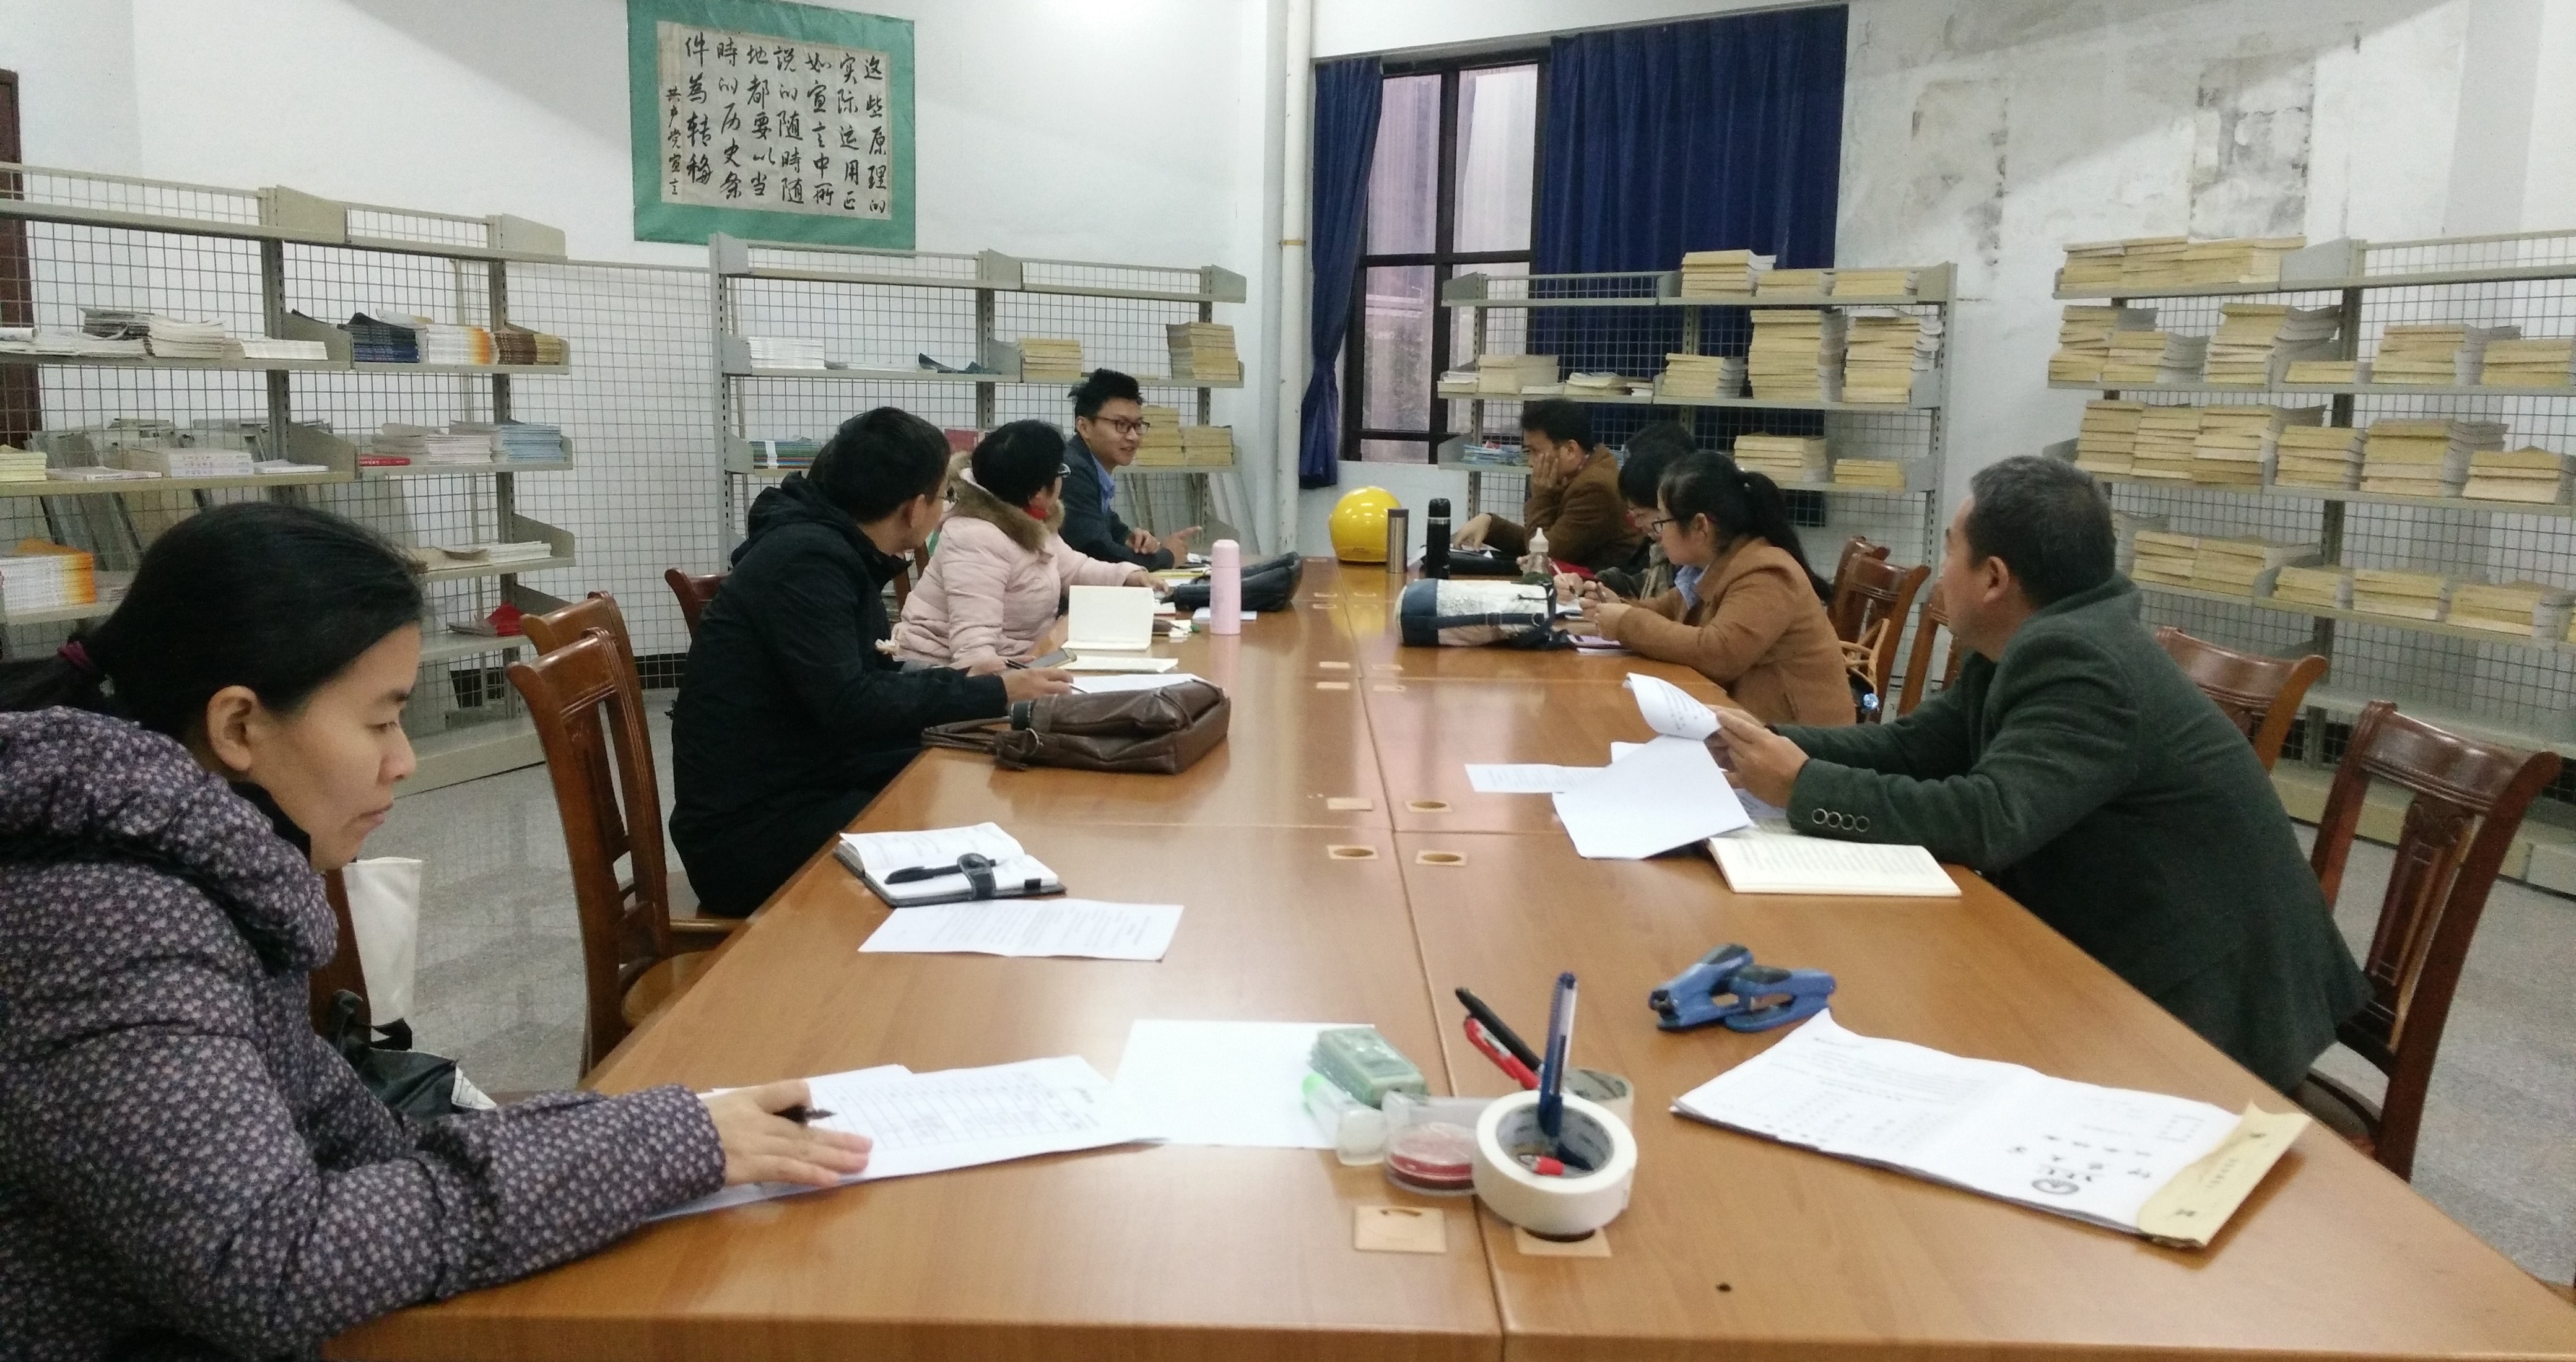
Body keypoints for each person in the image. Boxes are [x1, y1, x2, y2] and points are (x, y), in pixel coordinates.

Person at [0, 503, 869, 1361]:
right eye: (380, 721)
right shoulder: (112, 924)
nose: (404, 759)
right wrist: (659, 1144)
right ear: (237, 726)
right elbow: (271, 1264)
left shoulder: (185, 870)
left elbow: (364, 1142)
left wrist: (660, 1133)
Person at [1710, 456, 2369, 1091]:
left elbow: (1989, 818)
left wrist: (1802, 786)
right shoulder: (2035, 637)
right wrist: (1762, 743)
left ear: (1994, 579)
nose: (1941, 571)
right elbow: (1915, 747)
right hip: (2124, 950)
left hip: (2208, 1004)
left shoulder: (2080, 661)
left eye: (1949, 551)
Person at [672, 407, 1072, 916]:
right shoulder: (807, 562)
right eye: (945, 497)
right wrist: (991, 691)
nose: (945, 509)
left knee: (976, 779)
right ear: (914, 509)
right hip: (754, 835)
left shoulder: (826, 547)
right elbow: (850, 702)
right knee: (974, 822)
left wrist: (966, 686)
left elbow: (858, 682)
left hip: (809, 780)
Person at [1570, 452, 1852, 726]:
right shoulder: (1713, 564)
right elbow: (1665, 610)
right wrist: (1615, 606)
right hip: (1750, 721)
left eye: (1663, 521)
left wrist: (1626, 622)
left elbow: (1719, 653)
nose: (1657, 533)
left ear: (1700, 525)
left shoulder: (1766, 572)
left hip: (1802, 740)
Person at [894, 419, 1160, 672]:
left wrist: (1128, 575)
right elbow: (973, 653)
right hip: (939, 673)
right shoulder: (976, 538)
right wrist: (1015, 685)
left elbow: (1073, 569)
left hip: (1019, 661)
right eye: (1060, 473)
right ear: (1038, 493)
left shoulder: (1030, 521)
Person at [1453, 399, 1643, 573]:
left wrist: (1542, 496)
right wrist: (1491, 525)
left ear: (1570, 450)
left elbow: (1543, 555)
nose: (1531, 462)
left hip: (1605, 590)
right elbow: (1545, 539)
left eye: (1535, 452)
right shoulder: (1582, 472)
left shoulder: (1595, 488)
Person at [1059, 368, 1198, 569]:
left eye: (1138, 425)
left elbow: (1104, 521)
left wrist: (1129, 538)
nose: (1133, 436)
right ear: (1084, 427)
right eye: (1121, 424)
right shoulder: (1073, 471)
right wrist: (1167, 558)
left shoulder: (1086, 464)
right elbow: (1098, 553)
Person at [1592, 419, 1697, 599]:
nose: (1637, 524)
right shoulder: (1665, 556)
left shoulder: (1697, 565)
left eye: (1641, 515)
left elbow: (1672, 611)